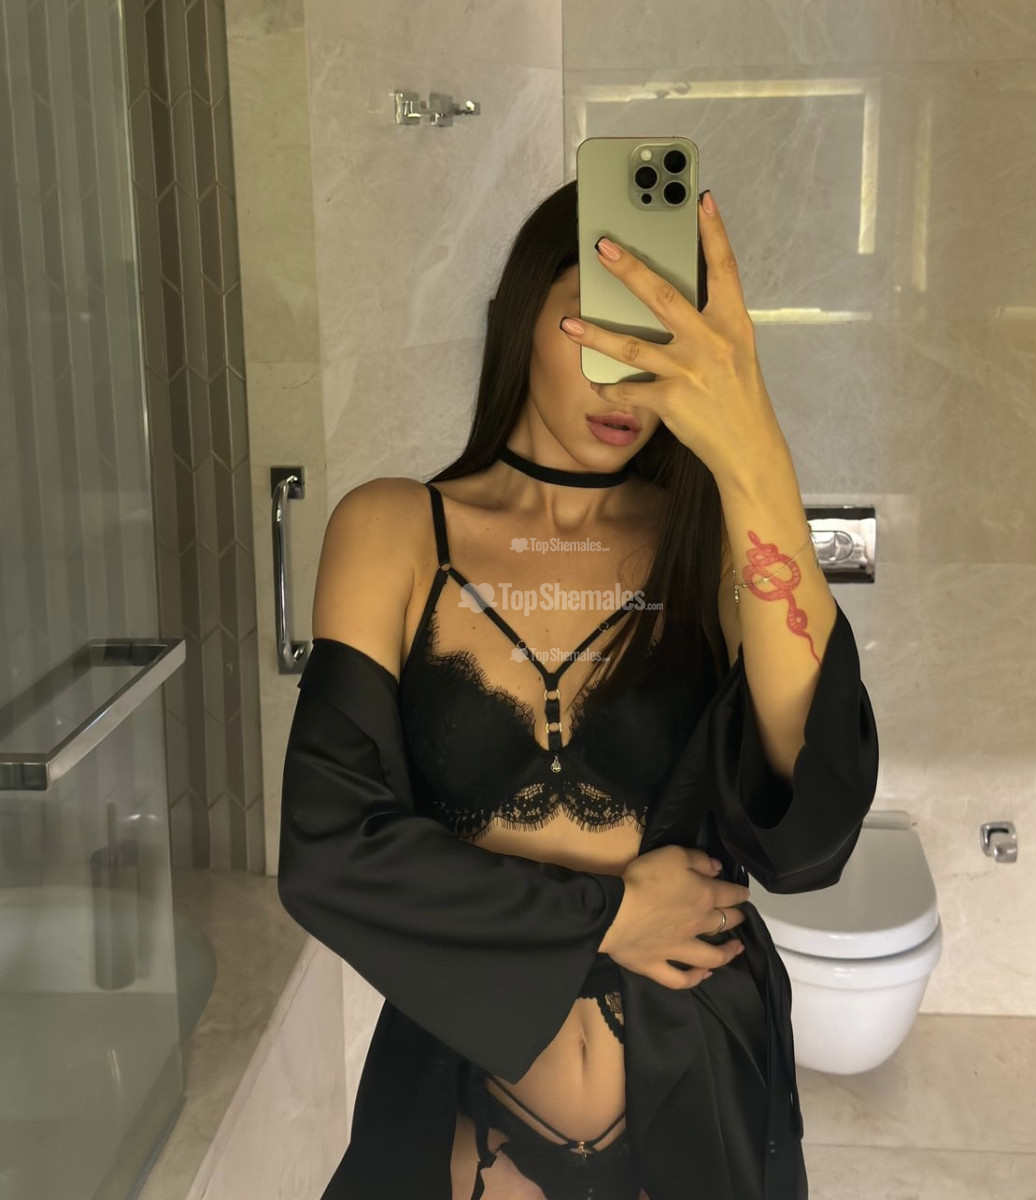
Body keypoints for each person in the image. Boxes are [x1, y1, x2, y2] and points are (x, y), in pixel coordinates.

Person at [278, 180, 879, 1199]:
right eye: (604, 327)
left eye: (665, 342)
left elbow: (812, 829)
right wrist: (607, 915)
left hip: (700, 1082)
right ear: (522, 311)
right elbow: (327, 851)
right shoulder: (392, 530)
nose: (629, 378)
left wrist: (752, 452)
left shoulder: (709, 548)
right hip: (460, 1094)